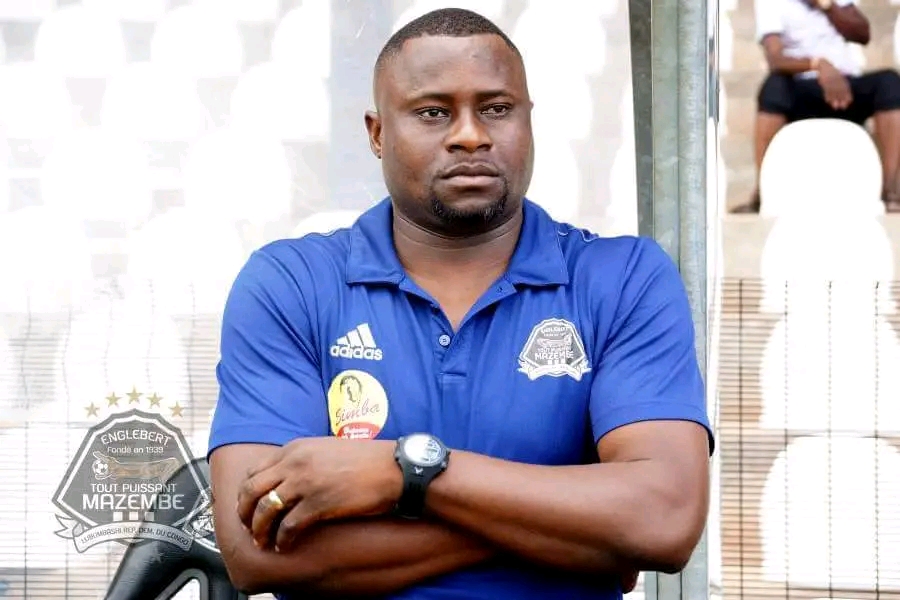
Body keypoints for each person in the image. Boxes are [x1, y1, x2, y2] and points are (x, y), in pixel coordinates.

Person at [207, 8, 714, 600]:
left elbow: (663, 520)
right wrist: (573, 522)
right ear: (377, 133)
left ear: (528, 120)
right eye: (433, 112)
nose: (470, 134)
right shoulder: (291, 283)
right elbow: (254, 552)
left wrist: (399, 473)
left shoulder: (623, 277)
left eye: (496, 109)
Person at [733, 0, 900, 213]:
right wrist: (819, 65)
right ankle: (762, 192)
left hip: (847, 87)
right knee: (773, 87)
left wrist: (826, 5)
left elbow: (862, 34)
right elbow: (775, 59)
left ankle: (890, 190)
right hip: (800, 85)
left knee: (889, 83)